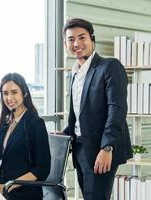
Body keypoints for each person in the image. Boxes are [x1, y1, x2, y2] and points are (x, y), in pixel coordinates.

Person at [62, 18, 133, 200]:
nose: (77, 43)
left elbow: (116, 110)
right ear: (65, 44)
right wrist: (66, 132)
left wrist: (107, 147)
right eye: (71, 40)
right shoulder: (74, 73)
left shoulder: (109, 66)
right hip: (79, 148)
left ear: (92, 39)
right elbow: (81, 113)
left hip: (100, 149)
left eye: (82, 37)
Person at [0, 73, 51, 200]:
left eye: (14, 92)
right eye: (5, 93)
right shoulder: (6, 122)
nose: (9, 98)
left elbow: (42, 169)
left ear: (24, 93)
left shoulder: (35, 123)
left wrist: (8, 186)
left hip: (23, 191)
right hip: (2, 184)